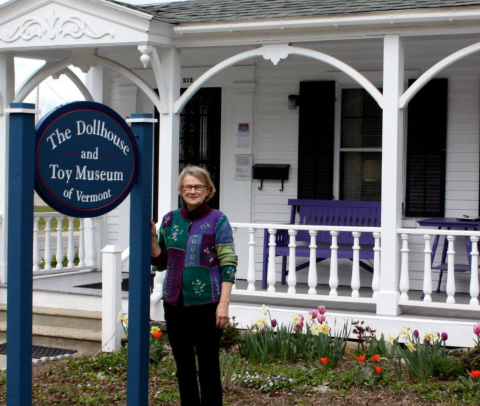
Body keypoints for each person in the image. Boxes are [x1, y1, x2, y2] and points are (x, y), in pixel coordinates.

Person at [150, 165, 237, 406]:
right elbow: (161, 261)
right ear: (181, 190)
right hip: (175, 303)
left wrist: (223, 305)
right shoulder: (170, 219)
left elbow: (228, 264)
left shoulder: (218, 220)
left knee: (208, 368)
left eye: (198, 186)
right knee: (183, 367)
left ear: (208, 190)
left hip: (207, 305)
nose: (192, 190)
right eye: (187, 186)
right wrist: (152, 239)